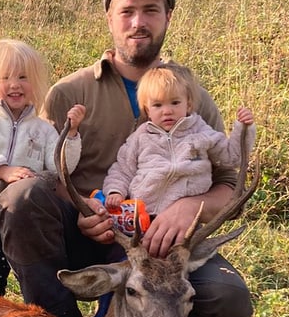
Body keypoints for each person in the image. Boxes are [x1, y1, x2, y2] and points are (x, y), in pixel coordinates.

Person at [0, 0, 254, 317]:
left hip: (162, 247)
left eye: (150, 11)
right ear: (109, 18)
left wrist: (189, 208)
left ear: (168, 16)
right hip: (84, 235)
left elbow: (230, 183)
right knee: (21, 197)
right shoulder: (71, 92)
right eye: (127, 12)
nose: (138, 23)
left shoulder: (193, 98)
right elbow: (47, 172)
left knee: (226, 299)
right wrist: (81, 207)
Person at [0, 38, 85, 296]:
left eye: (23, 77)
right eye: (5, 77)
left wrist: (72, 134)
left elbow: (61, 167)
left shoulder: (42, 130)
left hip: (6, 221)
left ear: (35, 83)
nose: (14, 84)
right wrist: (2, 170)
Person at [100, 64, 256, 220]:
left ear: (188, 104)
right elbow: (123, 169)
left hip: (185, 219)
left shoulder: (200, 132)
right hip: (143, 216)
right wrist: (115, 191)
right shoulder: (141, 137)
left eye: (175, 103)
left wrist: (243, 129)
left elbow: (232, 158)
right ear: (148, 111)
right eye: (157, 105)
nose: (167, 111)